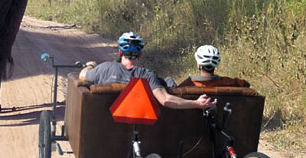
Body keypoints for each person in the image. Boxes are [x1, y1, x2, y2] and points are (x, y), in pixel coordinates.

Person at [79, 31, 216, 110]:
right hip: (139, 130)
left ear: (120, 52)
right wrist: (197, 103)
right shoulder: (147, 76)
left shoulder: (104, 68)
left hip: (106, 125)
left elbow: (82, 75)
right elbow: (166, 100)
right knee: (168, 82)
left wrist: (91, 65)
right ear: (140, 54)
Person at [176, 45, 250, 89]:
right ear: (216, 64)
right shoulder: (229, 82)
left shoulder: (188, 84)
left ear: (199, 64)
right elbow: (246, 84)